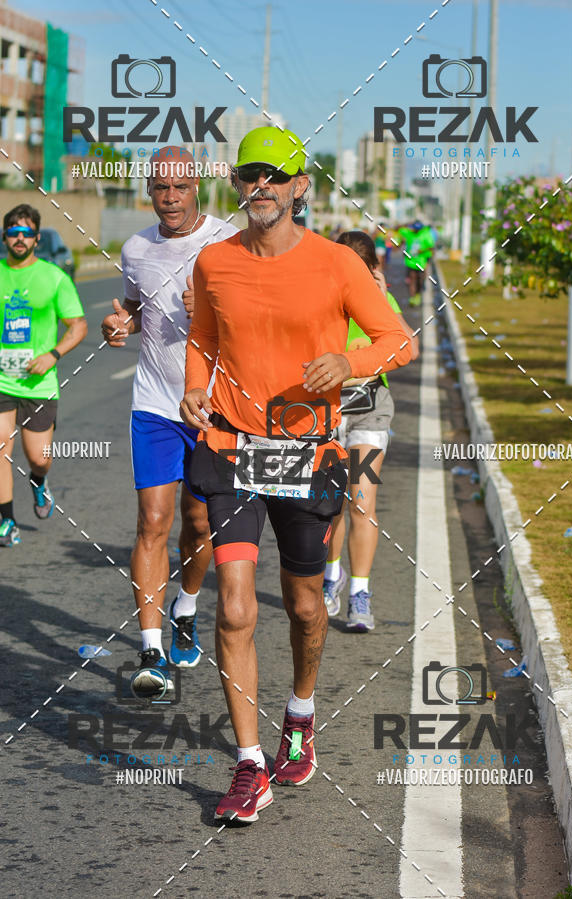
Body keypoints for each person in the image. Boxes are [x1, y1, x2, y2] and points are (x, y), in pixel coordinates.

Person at [179, 126, 414, 824]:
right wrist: (196, 386)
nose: (262, 186)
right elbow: (204, 339)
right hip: (230, 444)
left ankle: (301, 711)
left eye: (276, 176)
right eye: (250, 174)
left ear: (300, 186)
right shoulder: (213, 263)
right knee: (236, 604)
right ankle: (250, 764)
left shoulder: (338, 264)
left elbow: (399, 337)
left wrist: (349, 362)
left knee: (308, 605)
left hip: (308, 451)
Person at [101, 147, 238, 698]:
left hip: (212, 405)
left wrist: (211, 305)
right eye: (161, 187)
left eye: (180, 187)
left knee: (199, 523)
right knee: (152, 521)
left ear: (197, 187)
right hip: (154, 403)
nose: (170, 196)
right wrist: (119, 324)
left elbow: (252, 316)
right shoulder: (136, 247)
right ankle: (152, 648)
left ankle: (186, 606)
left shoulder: (228, 240)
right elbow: (136, 308)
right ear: (150, 189)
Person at [323, 231, 418, 630]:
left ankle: (359, 593)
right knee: (330, 506)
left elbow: (409, 346)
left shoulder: (380, 300)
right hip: (325, 415)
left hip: (369, 412)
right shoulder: (320, 296)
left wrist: (382, 298)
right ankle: (332, 578)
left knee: (361, 502)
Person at [0, 204, 87, 547]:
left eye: (26, 233)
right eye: (12, 232)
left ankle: (38, 481)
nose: (19, 238)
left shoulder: (54, 277)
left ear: (36, 238)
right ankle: (7, 520)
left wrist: (53, 355)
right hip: (2, 381)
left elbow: (77, 325)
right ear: (5, 237)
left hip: (39, 384)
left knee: (39, 458)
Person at [398, 220, 436, 306]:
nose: (416, 231)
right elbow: (399, 229)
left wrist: (421, 251)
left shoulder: (426, 235)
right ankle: (412, 297)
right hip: (410, 261)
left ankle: (418, 294)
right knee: (412, 279)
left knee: (420, 279)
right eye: (415, 229)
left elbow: (431, 248)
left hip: (421, 262)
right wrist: (401, 242)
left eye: (418, 230)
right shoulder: (408, 233)